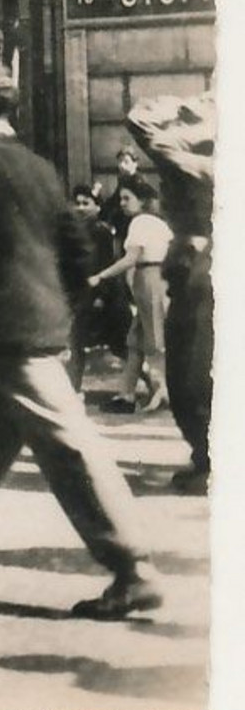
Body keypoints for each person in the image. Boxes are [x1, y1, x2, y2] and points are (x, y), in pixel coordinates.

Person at [0, 56, 162, 619]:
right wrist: (58, 304)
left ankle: (134, 569)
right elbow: (76, 248)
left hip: (11, 326)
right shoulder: (39, 164)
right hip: (42, 320)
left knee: (69, 450)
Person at [128, 94, 214, 493]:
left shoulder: (200, 164)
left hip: (206, 268)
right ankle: (206, 458)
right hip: (189, 267)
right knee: (187, 369)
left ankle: (211, 460)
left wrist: (184, 119)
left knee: (192, 372)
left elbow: (147, 130)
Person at [87, 179, 172, 414]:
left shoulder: (141, 222)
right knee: (135, 341)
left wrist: (100, 276)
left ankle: (162, 391)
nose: (123, 203)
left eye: (127, 198)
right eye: (121, 198)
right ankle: (126, 395)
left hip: (150, 277)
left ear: (142, 201)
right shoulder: (158, 223)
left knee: (154, 339)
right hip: (153, 278)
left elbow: (130, 258)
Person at [67, 183, 126, 392]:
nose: (81, 207)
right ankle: (73, 390)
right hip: (82, 296)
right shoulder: (73, 233)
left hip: (103, 297)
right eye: (77, 203)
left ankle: (152, 382)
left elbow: (106, 264)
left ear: (97, 207)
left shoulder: (101, 232)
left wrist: (101, 295)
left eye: (86, 203)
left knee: (120, 345)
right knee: (75, 342)